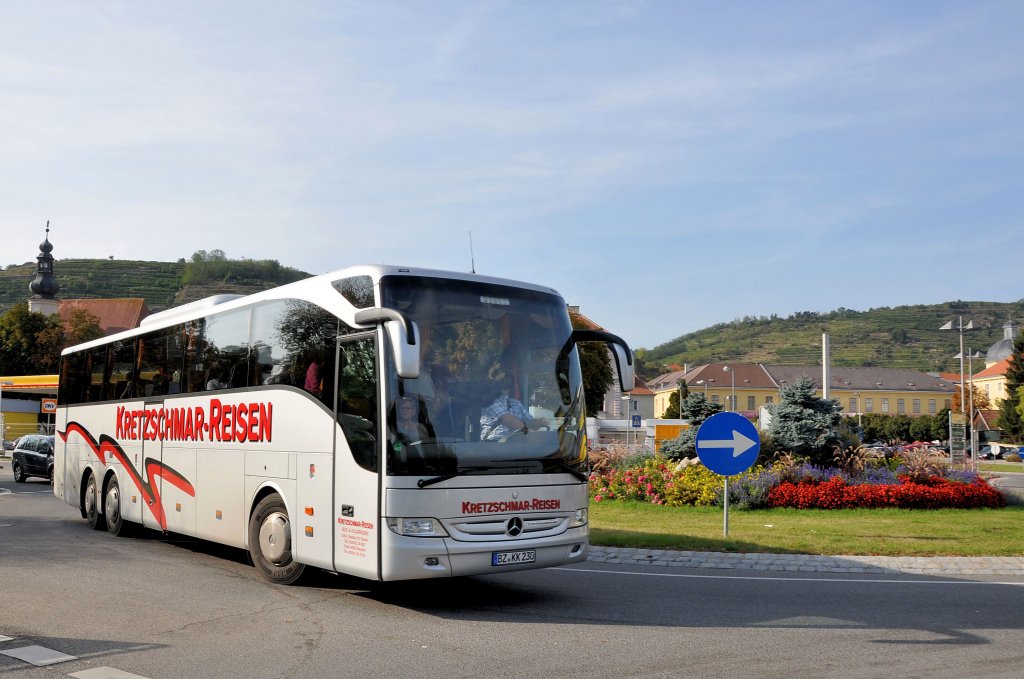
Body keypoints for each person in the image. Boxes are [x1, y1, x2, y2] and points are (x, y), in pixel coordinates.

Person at [480, 378, 549, 441]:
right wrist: (527, 431)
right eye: (502, 383)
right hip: (494, 445)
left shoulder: (515, 403)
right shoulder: (489, 402)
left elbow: (529, 421)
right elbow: (509, 421)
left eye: (507, 384)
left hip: (517, 443)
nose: (506, 385)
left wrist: (539, 422)